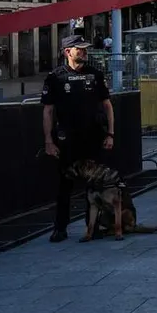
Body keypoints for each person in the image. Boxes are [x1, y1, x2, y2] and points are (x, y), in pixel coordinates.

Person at [42, 35, 115, 243]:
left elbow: (107, 105)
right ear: (68, 52)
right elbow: (48, 111)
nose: (84, 52)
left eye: (85, 49)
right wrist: (48, 140)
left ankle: (93, 226)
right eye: (80, 49)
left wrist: (110, 133)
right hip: (67, 140)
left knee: (95, 185)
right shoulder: (56, 77)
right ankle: (60, 227)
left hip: (93, 137)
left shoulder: (95, 74)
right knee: (64, 185)